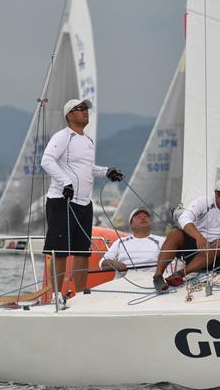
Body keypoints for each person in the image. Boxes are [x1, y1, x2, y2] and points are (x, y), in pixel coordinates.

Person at [41, 98, 124, 295]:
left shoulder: (87, 140)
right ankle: (55, 296)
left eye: (86, 109)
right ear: (69, 115)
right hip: (62, 201)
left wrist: (107, 171)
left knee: (82, 251)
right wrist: (65, 182)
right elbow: (47, 160)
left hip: (83, 203)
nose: (85, 111)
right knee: (60, 251)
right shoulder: (63, 136)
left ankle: (80, 294)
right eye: (80, 109)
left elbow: (86, 168)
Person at [152, 177, 220, 290]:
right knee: (175, 233)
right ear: (216, 194)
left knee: (219, 244)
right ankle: (158, 276)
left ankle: (181, 274)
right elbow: (184, 217)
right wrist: (199, 237)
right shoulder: (204, 202)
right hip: (197, 249)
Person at [99, 207, 165, 275]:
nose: (143, 218)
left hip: (152, 280)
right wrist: (114, 264)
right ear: (131, 225)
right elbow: (102, 263)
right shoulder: (120, 242)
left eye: (146, 216)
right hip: (124, 281)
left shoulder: (162, 241)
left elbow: (170, 265)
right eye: (138, 217)